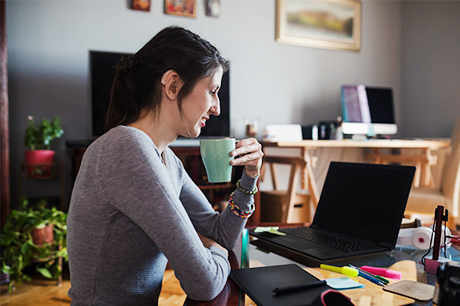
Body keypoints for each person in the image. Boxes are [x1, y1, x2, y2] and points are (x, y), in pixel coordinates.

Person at [67, 26, 263, 305]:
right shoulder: (126, 149)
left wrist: (250, 178)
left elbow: (220, 234)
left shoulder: (166, 159)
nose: (216, 107)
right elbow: (204, 283)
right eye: (212, 91)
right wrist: (214, 251)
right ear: (172, 85)